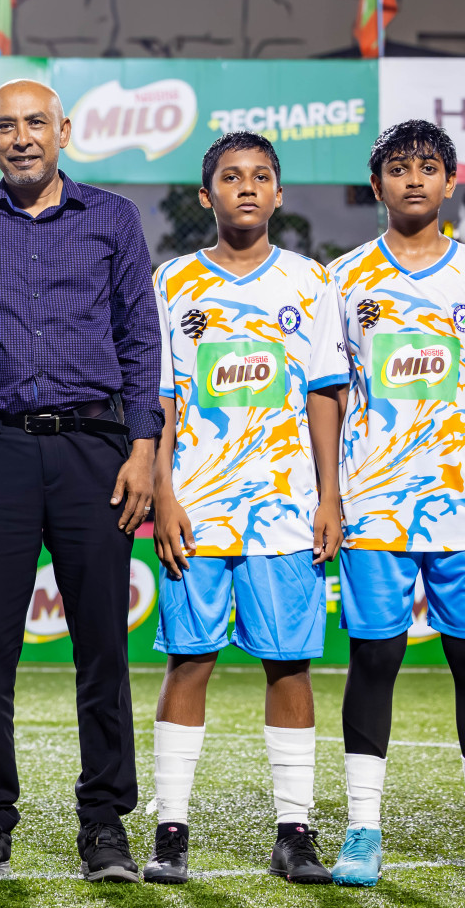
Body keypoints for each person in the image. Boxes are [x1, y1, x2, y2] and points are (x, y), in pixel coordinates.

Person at [0, 80, 161, 882]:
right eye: (3, 127)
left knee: (103, 650)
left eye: (34, 123)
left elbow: (141, 342)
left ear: (63, 131)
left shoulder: (113, 219)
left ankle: (105, 826)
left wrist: (143, 446)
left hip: (97, 449)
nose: (21, 138)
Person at [146, 132, 348, 884]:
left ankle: (294, 832)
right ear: (207, 196)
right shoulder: (172, 282)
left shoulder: (309, 282)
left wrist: (330, 496)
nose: (247, 188)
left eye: (261, 176)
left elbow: (325, 394)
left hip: (287, 510)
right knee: (189, 659)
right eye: (230, 177)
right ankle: (171, 830)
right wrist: (163, 494)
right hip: (195, 508)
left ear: (279, 192)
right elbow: (161, 401)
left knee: (289, 666)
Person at [325, 120, 465, 887]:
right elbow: (327, 395)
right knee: (374, 660)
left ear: (451, 180)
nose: (415, 179)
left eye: (429, 167)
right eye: (398, 168)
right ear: (375, 185)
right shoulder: (342, 279)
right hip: (374, 503)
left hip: (461, 508)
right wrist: (330, 496)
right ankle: (363, 832)